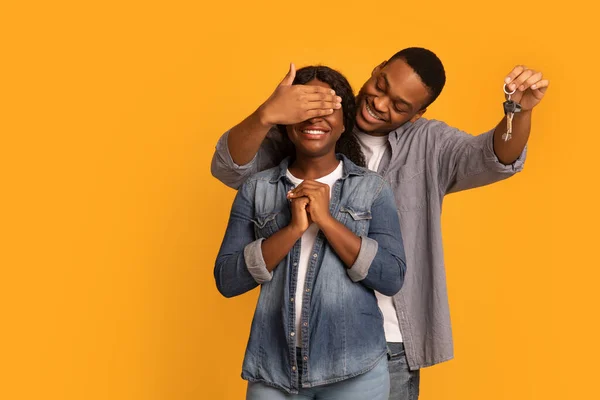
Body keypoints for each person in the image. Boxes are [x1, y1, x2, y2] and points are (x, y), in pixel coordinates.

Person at [211, 47, 549, 400]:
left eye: (400, 106)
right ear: (376, 70)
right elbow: (230, 167)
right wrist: (266, 115)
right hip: (299, 342)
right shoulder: (314, 128)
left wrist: (517, 111)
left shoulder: (429, 145)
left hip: (389, 343)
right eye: (380, 84)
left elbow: (495, 157)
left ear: (418, 114)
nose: (380, 103)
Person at [214, 65, 406, 399]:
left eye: (327, 108)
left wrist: (328, 221)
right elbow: (227, 280)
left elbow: (391, 276)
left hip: (355, 370)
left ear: (344, 121)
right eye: (304, 108)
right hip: (274, 370)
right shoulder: (257, 189)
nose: (315, 118)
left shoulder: (372, 189)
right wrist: (292, 230)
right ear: (286, 120)